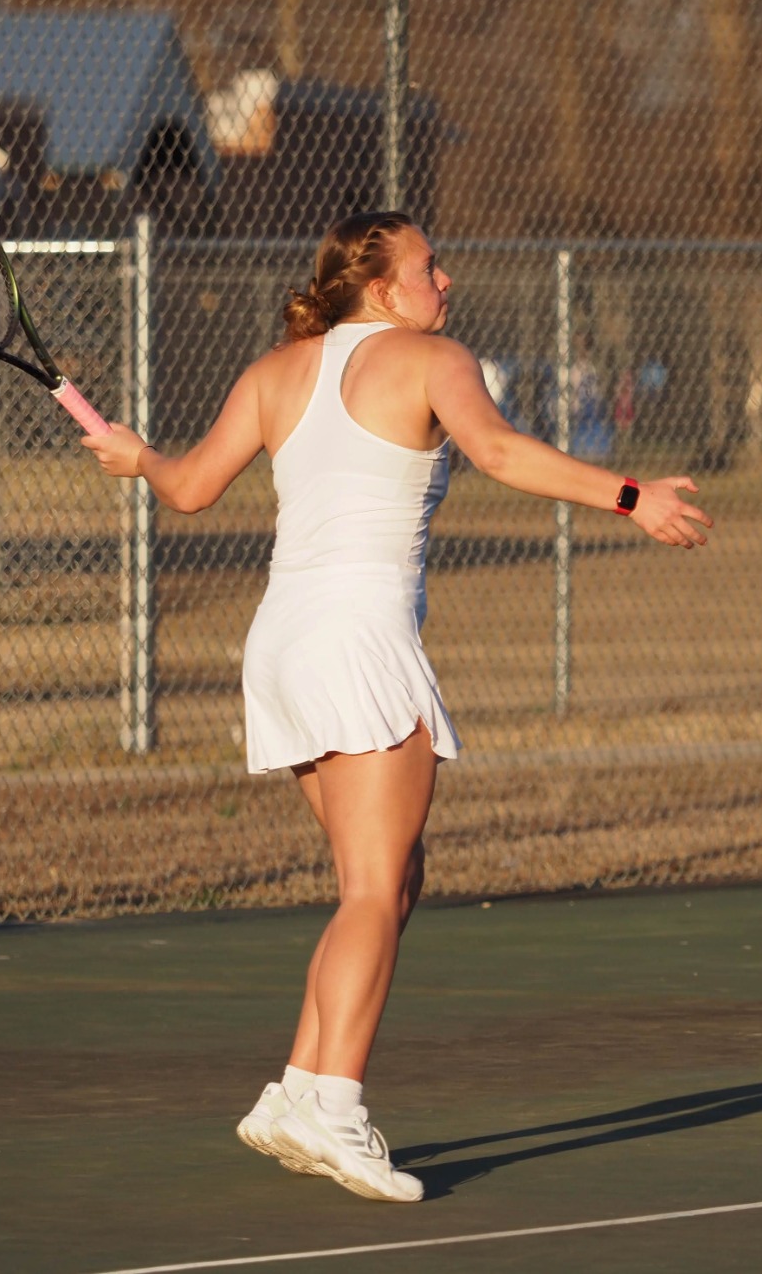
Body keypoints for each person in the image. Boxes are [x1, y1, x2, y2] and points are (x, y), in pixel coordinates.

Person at [81, 212, 711, 1203]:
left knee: (387, 881)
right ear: (379, 289)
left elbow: (190, 487)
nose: (444, 281)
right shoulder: (430, 359)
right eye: (426, 269)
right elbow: (499, 454)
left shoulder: (273, 374)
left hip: (282, 645)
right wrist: (632, 498)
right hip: (355, 639)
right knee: (374, 889)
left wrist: (139, 457)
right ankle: (333, 1105)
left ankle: (295, 1090)